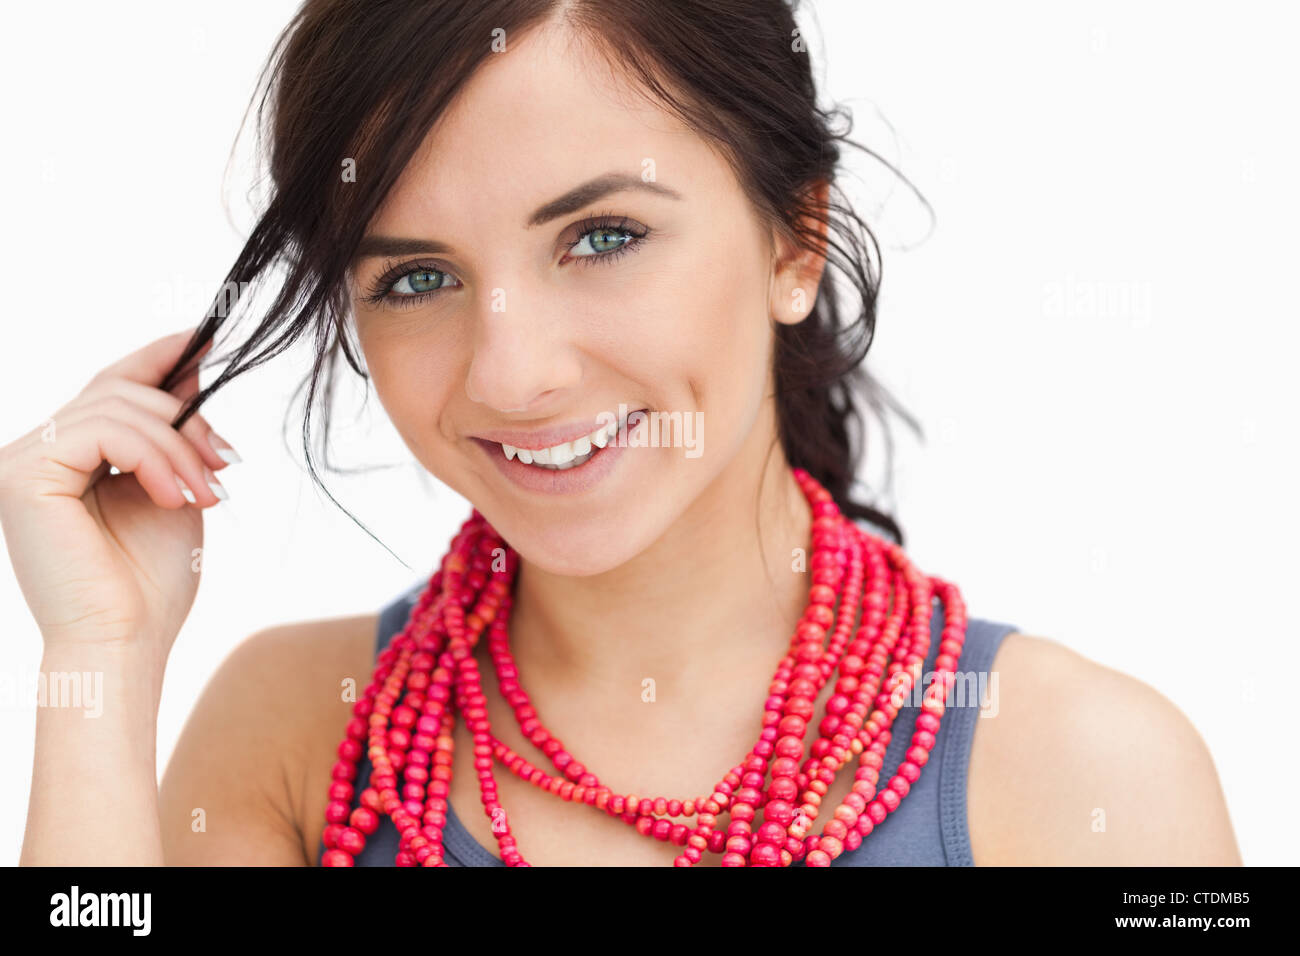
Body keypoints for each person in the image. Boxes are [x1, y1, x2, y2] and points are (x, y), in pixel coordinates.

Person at [2, 0, 1240, 866]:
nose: (515, 370)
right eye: (416, 278)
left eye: (602, 238)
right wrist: (98, 662)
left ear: (794, 239)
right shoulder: (296, 732)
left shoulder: (1088, 768)